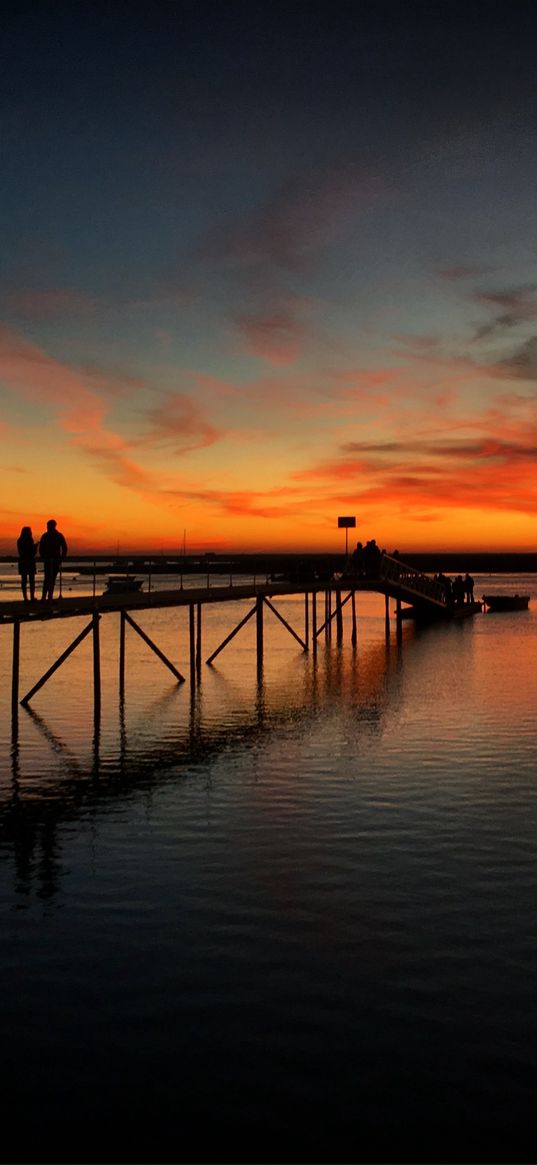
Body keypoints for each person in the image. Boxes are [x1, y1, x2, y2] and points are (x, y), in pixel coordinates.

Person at [39, 519, 68, 601]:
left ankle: (47, 596)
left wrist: (61, 558)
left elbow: (64, 547)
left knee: (49, 579)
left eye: (48, 526)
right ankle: (46, 596)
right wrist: (44, 557)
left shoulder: (54, 535)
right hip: (50, 560)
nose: (47, 527)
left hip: (54, 560)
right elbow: (41, 548)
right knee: (48, 579)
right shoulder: (47, 535)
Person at [17, 526, 38, 601]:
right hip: (30, 561)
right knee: (31, 580)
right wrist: (35, 547)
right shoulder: (30, 540)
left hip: (22, 561)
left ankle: (25, 598)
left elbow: (21, 552)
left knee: (24, 580)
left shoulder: (19, 540)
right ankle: (32, 597)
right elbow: (32, 553)